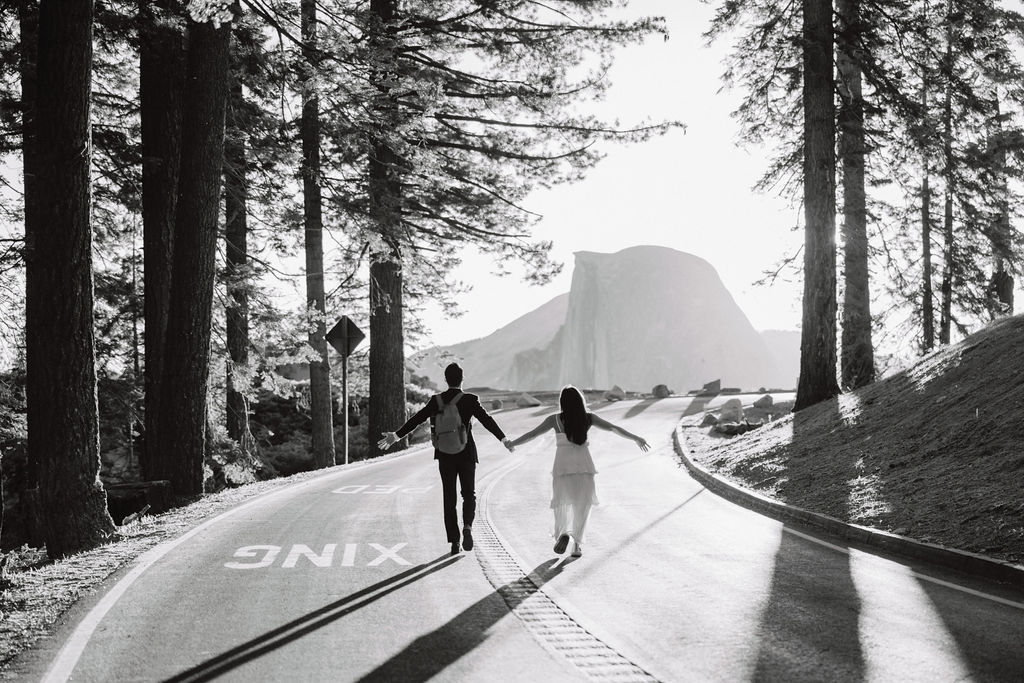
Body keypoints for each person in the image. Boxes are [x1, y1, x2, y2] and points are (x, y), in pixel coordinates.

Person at [378, 363, 514, 556]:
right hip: (466, 453)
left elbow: (418, 419)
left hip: (444, 454)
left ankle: (454, 542)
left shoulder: (436, 400)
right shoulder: (470, 400)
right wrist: (504, 439)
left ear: (446, 379)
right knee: (469, 494)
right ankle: (467, 526)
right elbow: (486, 420)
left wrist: (397, 436)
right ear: (462, 379)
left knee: (449, 498)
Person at [508, 385, 649, 558]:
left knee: (562, 502)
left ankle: (564, 533)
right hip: (584, 466)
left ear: (562, 402)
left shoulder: (554, 420)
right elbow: (613, 428)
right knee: (582, 505)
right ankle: (576, 545)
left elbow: (532, 434)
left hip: (562, 466)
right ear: (580, 401)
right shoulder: (588, 418)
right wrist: (636, 438)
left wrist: (512, 443)